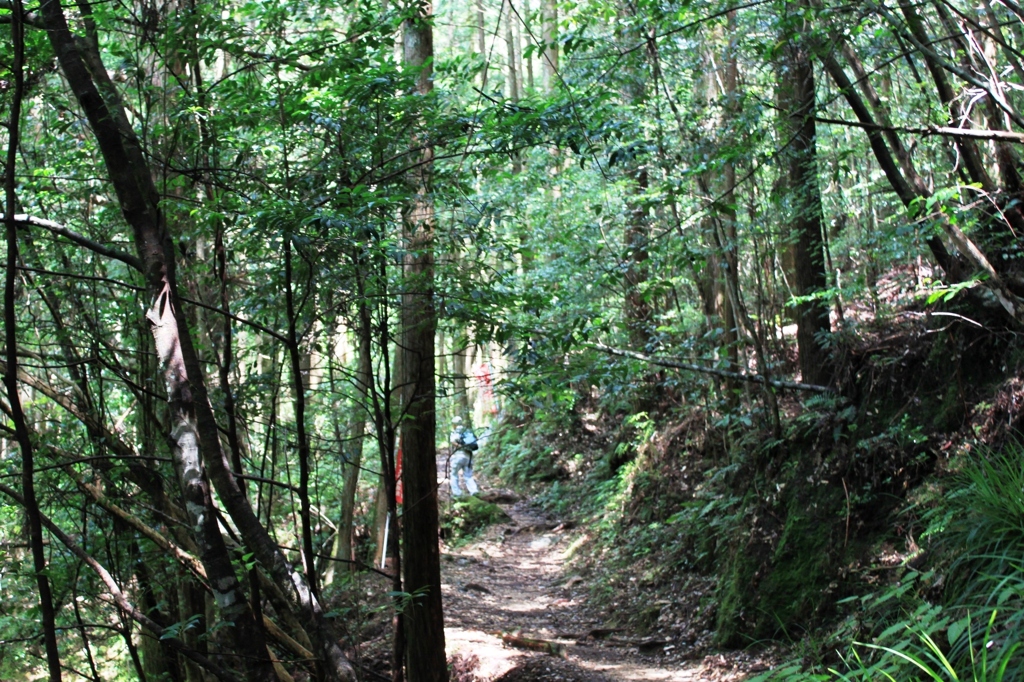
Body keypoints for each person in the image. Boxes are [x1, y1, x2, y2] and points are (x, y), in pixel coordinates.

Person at [449, 415, 480, 497]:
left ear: (454, 424)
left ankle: (456, 493)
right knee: (468, 475)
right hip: (469, 456)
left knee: (454, 474)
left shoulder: (455, 432)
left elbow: (453, 441)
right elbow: (476, 439)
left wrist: (460, 446)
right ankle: (474, 491)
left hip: (459, 456)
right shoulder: (468, 431)